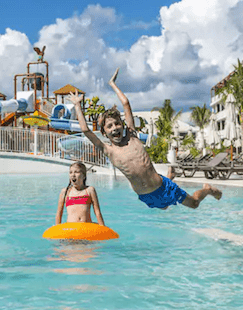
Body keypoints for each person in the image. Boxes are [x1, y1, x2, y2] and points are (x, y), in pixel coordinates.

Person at [68, 68, 222, 210]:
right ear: (104, 132)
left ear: (123, 125)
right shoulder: (108, 150)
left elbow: (126, 104)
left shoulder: (132, 137)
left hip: (163, 187)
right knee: (164, 207)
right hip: (145, 195)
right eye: (109, 126)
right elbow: (85, 130)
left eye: (117, 124)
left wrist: (112, 84)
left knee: (194, 204)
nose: (114, 128)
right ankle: (170, 176)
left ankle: (207, 189)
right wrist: (77, 106)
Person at [55, 161, 105, 226]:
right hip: (71, 229)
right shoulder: (65, 192)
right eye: (70, 172)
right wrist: (57, 230)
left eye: (76, 172)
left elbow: (97, 212)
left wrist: (103, 228)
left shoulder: (89, 190)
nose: (73, 174)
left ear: (84, 176)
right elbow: (59, 213)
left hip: (86, 228)